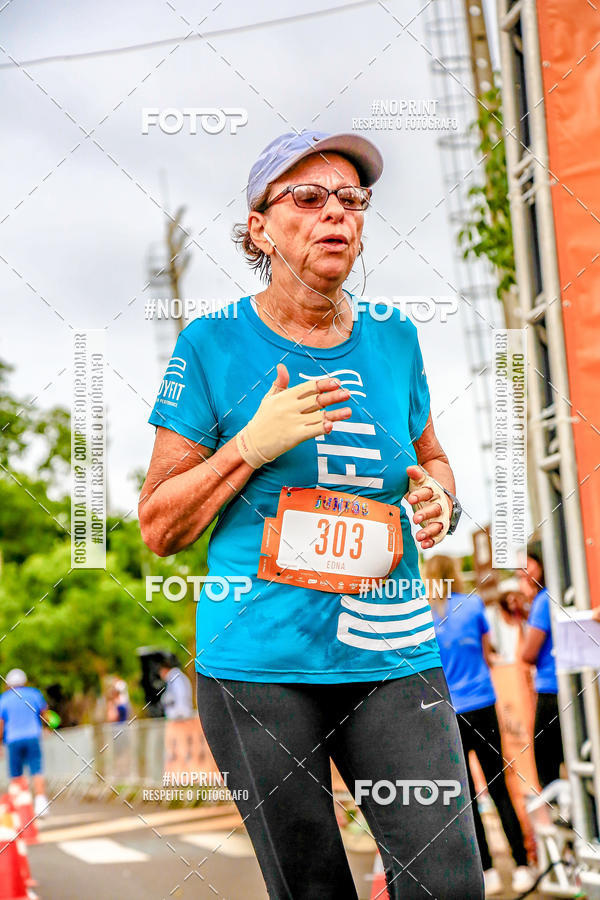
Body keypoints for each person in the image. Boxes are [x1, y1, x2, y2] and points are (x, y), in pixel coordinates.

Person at [140, 129, 482, 898]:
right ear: (260, 227)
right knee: (314, 887)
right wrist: (250, 447)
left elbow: (432, 461)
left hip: (392, 654)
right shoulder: (213, 346)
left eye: (352, 200)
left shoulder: (395, 338)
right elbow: (159, 526)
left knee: (449, 883)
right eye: (308, 198)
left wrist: (441, 497)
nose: (337, 214)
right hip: (260, 665)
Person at [426, 556, 535, 895]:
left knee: (465, 796)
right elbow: (488, 653)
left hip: (449, 713)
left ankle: (485, 871)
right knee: (499, 787)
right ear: (455, 574)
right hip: (483, 705)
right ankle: (521, 866)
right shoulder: (472, 605)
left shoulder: (426, 617)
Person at [520, 542, 565, 788]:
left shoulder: (542, 600)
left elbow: (527, 653)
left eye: (527, 564)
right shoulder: (557, 593)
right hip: (567, 686)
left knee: (546, 763)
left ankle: (562, 818)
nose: (521, 571)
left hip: (550, 690)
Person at [0, 668, 51, 817]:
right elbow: (45, 714)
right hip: (32, 737)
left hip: (13, 740)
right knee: (37, 770)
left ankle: (19, 808)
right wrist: (47, 728)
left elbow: (1, 724)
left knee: (16, 775)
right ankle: (41, 804)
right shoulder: (35, 694)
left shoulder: (4, 699)